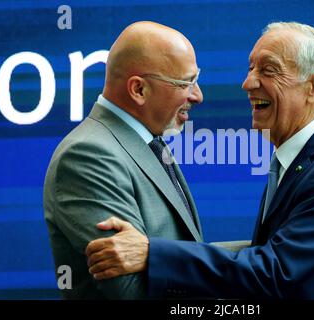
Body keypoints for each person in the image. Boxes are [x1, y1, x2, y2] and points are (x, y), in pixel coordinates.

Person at [86, 21, 314, 299]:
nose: (248, 82)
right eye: (251, 68)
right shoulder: (294, 155)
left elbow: (274, 270)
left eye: (268, 70)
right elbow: (266, 253)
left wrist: (152, 255)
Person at [43, 21, 204, 299]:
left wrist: (268, 261)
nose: (197, 95)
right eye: (185, 83)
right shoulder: (88, 155)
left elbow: (189, 253)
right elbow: (130, 292)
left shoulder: (146, 142)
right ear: (139, 90)